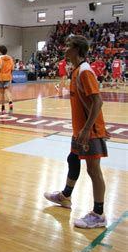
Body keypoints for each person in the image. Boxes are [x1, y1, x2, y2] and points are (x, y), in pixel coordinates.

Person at [44, 35, 109, 229]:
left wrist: (90, 128)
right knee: (73, 159)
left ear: (77, 50)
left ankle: (98, 214)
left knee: (93, 170)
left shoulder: (85, 72)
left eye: (68, 46)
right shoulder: (76, 71)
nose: (64, 49)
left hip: (88, 131)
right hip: (81, 130)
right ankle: (65, 196)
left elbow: (98, 102)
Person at [0, 45, 14, 114]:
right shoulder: (10, 58)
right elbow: (12, 69)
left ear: (0, 51)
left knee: (2, 94)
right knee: (8, 91)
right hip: (8, 77)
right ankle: (10, 103)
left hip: (1, 77)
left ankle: (3, 108)